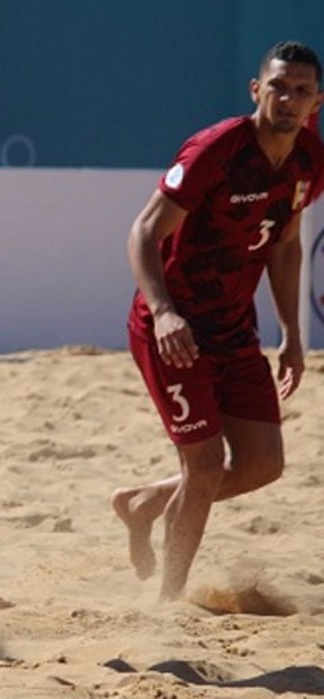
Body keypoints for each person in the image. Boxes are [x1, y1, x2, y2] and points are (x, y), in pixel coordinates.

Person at [112, 40, 324, 601]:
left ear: (316, 102)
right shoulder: (218, 149)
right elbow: (143, 232)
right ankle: (167, 605)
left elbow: (285, 245)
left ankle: (146, 502)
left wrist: (294, 335)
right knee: (204, 467)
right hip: (174, 328)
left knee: (262, 464)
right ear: (257, 90)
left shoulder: (308, 158)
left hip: (234, 329)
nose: (289, 98)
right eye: (279, 86)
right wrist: (163, 313)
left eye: (301, 91)